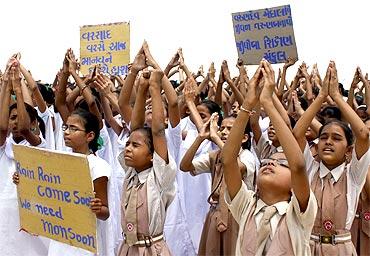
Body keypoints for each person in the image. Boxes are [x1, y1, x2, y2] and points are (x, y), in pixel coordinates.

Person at [223, 60, 317, 255]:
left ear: (294, 184)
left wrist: (268, 102)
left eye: (282, 164)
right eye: (267, 161)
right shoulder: (246, 205)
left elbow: (299, 165)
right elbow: (228, 160)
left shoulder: (299, 212)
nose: (271, 163)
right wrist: (248, 104)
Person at [292, 61, 370, 255]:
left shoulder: (353, 175)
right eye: (323, 137)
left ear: (348, 150)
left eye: (336, 139)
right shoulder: (310, 168)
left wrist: (336, 96)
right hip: (307, 246)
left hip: (341, 248)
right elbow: (298, 132)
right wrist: (320, 97)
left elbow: (363, 134)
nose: (328, 142)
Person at [15, 108, 112, 256]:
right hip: (61, 237)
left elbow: (105, 213)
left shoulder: (98, 167)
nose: (66, 132)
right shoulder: (60, 162)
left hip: (84, 241)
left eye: (74, 129)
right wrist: (24, 180)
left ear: (90, 135)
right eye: (66, 127)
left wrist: (98, 208)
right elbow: (46, 189)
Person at [117, 69, 177, 255]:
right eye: (127, 144)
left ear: (152, 155)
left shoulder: (159, 175)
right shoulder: (131, 172)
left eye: (135, 146)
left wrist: (154, 88)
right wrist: (141, 89)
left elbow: (158, 131)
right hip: (128, 248)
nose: (128, 148)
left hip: (151, 250)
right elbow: (135, 127)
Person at [180, 113, 256, 255]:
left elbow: (233, 165)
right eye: (222, 128)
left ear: (244, 138)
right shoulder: (215, 155)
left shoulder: (247, 156)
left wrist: (215, 137)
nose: (224, 133)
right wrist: (200, 138)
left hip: (238, 215)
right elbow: (185, 166)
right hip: (215, 213)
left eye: (230, 129)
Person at [0, 60, 49, 255]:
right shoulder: (5, 147)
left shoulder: (38, 144)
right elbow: (2, 128)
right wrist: (5, 84)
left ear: (34, 122)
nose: (15, 123)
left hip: (32, 213)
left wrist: (18, 88)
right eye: (12, 118)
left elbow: (23, 128)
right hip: (6, 213)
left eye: (19, 117)